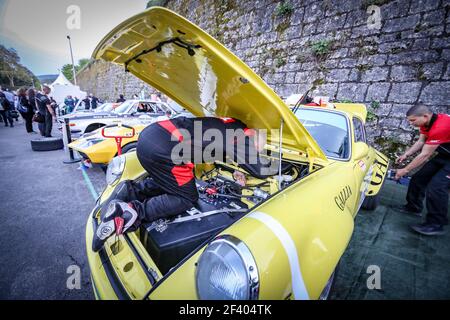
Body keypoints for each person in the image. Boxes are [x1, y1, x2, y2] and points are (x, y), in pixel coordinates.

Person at [92, 116, 276, 251]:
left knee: (168, 181)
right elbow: (260, 170)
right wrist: (280, 168)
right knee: (186, 197)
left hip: (149, 137)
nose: (257, 149)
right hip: (166, 150)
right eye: (259, 145)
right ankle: (131, 212)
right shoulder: (239, 135)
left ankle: (130, 190)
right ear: (252, 134)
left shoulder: (227, 123)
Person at [394, 104, 450, 236]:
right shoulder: (426, 124)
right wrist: (406, 154)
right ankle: (413, 207)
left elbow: (424, 155)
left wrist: (404, 170)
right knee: (419, 178)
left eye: (412, 120)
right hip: (445, 155)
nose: (410, 123)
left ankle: (436, 223)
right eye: (409, 120)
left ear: (425, 116)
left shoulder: (441, 126)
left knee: (437, 187)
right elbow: (420, 142)